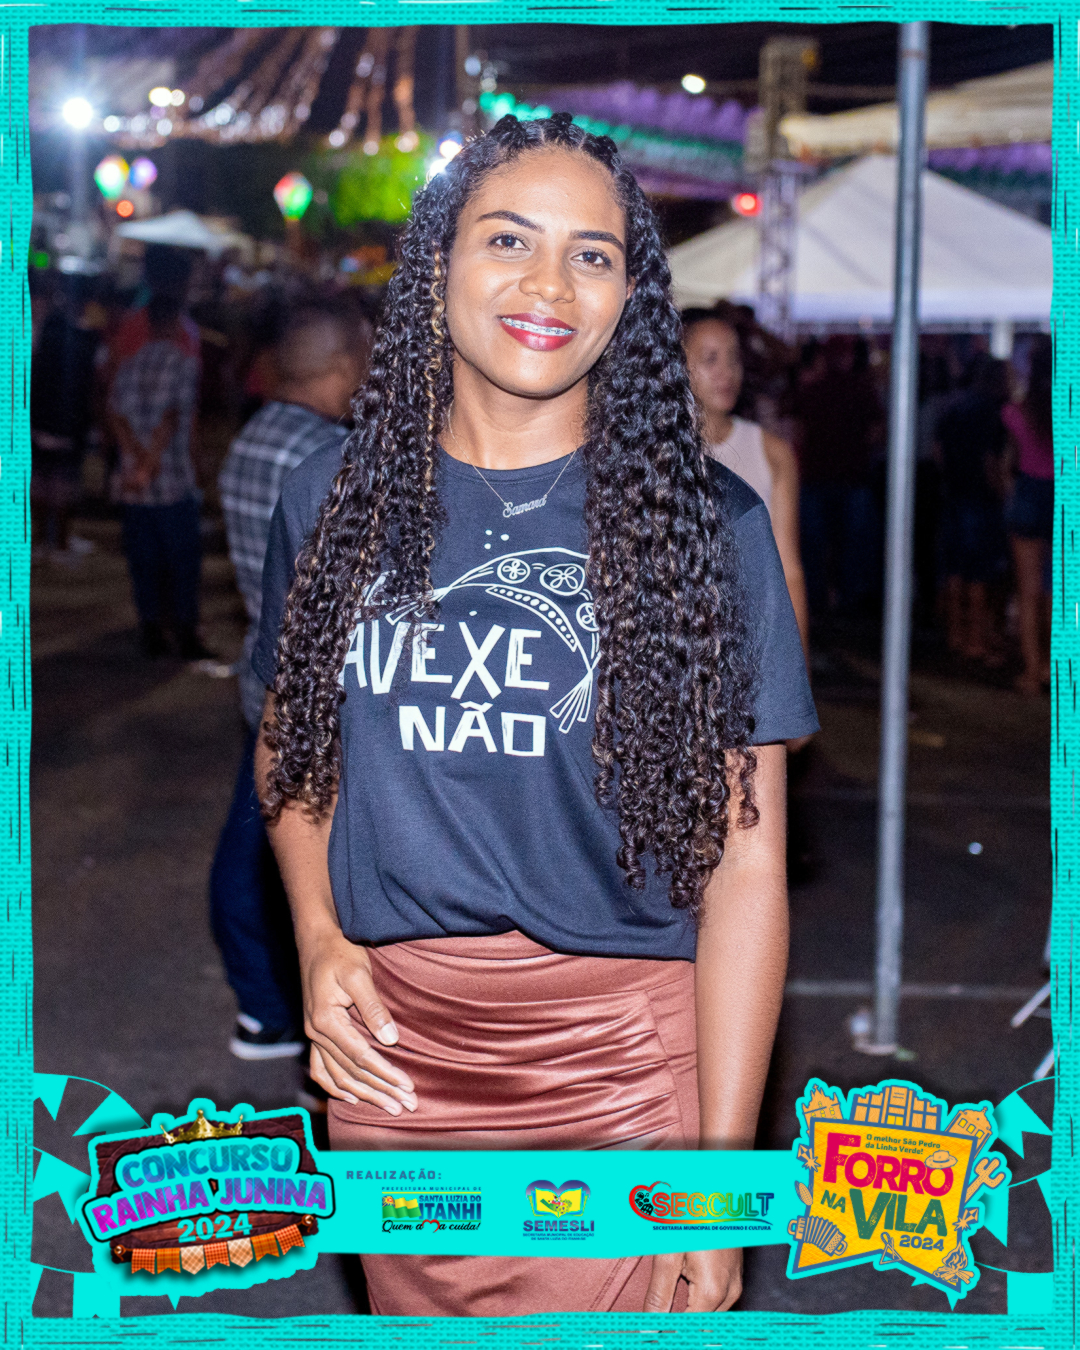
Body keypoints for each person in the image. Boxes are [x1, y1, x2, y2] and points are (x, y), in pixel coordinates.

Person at [253, 114, 816, 1316]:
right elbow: (294, 749)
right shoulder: (329, 498)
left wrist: (721, 1191)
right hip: (392, 1065)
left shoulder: (702, 527)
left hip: (617, 1069)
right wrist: (317, 935)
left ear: (630, 298)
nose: (549, 285)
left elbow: (749, 864)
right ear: (436, 264)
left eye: (592, 255)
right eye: (509, 239)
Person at [213, 304, 371, 1060]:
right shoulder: (325, 458)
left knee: (254, 839)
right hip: (319, 696)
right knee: (305, 861)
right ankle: (295, 1010)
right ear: (339, 367)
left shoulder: (251, 439)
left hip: (264, 671)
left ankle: (261, 1005)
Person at [682, 303, 809, 661]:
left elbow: (788, 569)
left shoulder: (771, 452)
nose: (727, 372)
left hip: (749, 644)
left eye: (734, 358)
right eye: (710, 359)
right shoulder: (652, 453)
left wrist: (797, 663)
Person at [108, 293, 211, 659]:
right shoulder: (184, 364)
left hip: (134, 485)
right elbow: (173, 418)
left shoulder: (130, 364)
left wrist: (136, 464)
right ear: (176, 323)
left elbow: (116, 416)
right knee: (182, 561)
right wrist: (152, 464)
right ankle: (185, 632)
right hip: (171, 479)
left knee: (144, 560)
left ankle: (150, 629)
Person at [794, 334, 884, 620]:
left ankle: (817, 603)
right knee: (853, 547)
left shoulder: (812, 390)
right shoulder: (863, 390)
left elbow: (797, 431)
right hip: (852, 477)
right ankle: (849, 602)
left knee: (815, 548)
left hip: (817, 477)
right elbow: (876, 433)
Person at [936, 354, 1009, 665]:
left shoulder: (954, 407)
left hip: (953, 494)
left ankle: (956, 634)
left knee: (955, 570)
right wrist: (1002, 493)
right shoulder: (993, 412)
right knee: (979, 573)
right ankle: (976, 640)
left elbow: (938, 451)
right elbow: (991, 461)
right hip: (980, 498)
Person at [1003, 336, 1054, 695]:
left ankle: (1032, 670)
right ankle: (1056, 667)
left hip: (1028, 494)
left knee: (1028, 590)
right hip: (1061, 493)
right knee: (1057, 589)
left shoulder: (1015, 412)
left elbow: (1010, 458)